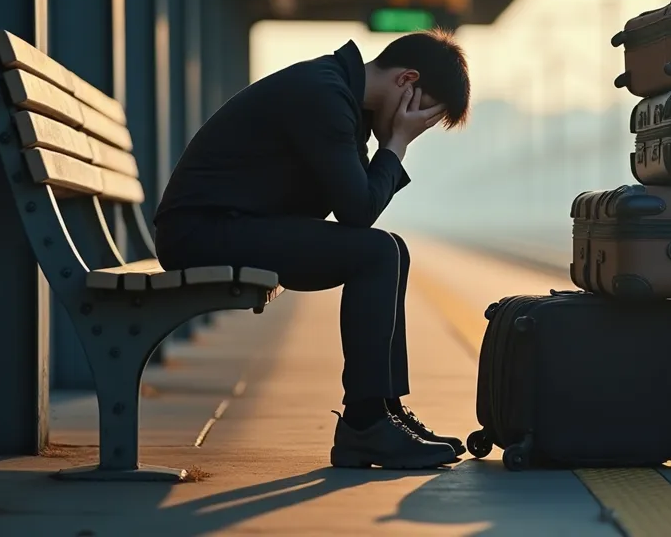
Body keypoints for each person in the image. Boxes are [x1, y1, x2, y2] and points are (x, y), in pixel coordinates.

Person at [153, 31, 471, 470]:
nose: (416, 125)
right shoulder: (324, 96)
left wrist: (389, 142)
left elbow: (357, 204)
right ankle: (366, 423)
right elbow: (358, 211)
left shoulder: (341, 96)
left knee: (391, 249)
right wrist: (396, 144)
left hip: (232, 225)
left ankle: (383, 410)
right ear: (406, 81)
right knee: (378, 252)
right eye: (421, 113)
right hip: (201, 233)